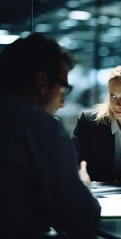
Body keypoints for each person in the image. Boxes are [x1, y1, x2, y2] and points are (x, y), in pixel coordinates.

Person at [0, 33, 101, 239]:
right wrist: (80, 183)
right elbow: (81, 217)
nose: (62, 103)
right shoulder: (39, 127)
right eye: (63, 89)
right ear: (42, 82)